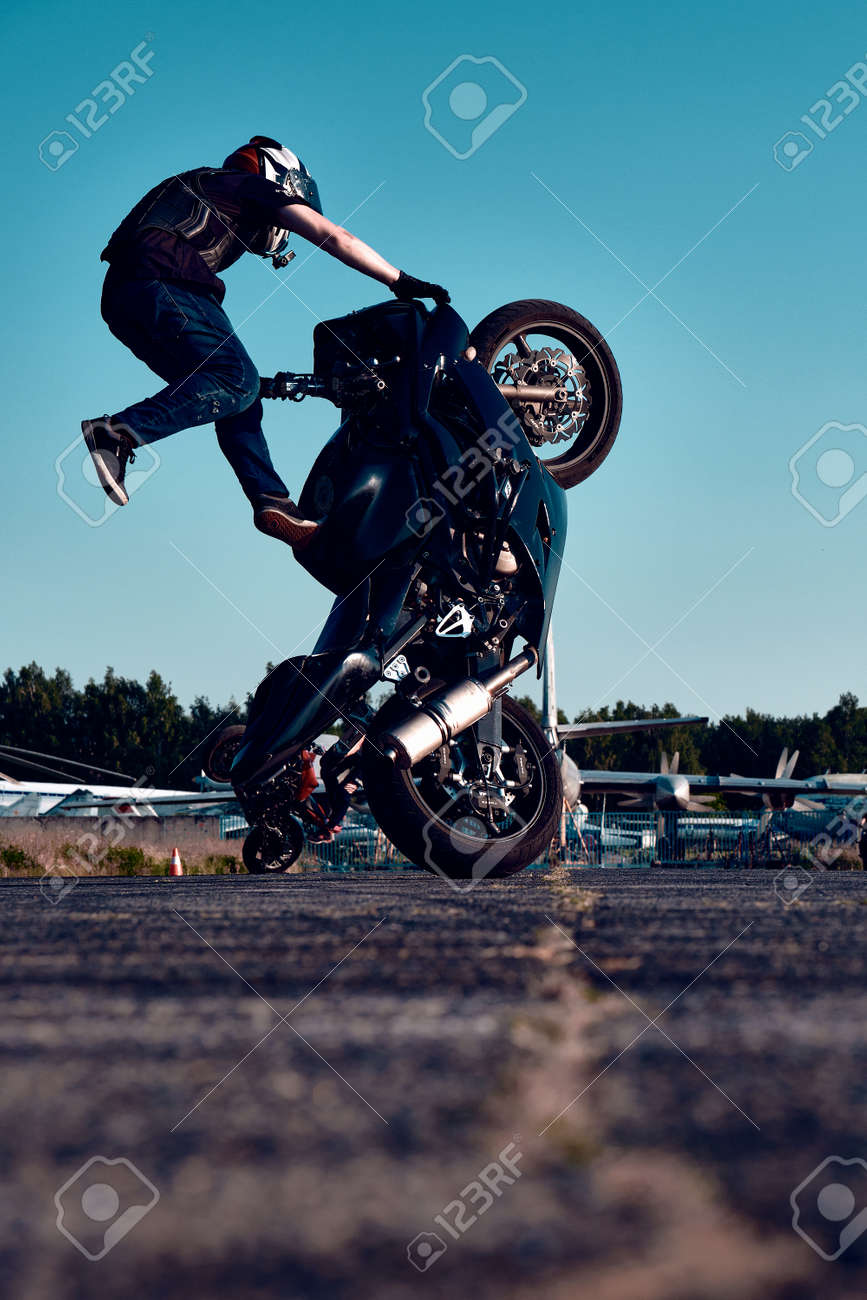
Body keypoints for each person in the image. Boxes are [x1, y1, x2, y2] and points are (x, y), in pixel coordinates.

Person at [82, 136, 449, 546]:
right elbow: (336, 237)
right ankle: (120, 431)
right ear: (283, 179)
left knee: (234, 392)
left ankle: (271, 499)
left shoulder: (200, 184)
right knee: (237, 379)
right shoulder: (252, 186)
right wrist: (398, 280)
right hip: (164, 282)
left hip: (121, 298)